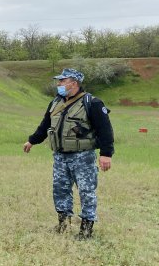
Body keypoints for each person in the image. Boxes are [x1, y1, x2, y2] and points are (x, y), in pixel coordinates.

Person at [23, 68, 114, 239]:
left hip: (83, 156)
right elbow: (45, 126)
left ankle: (86, 230)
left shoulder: (92, 103)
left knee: (86, 192)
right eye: (59, 81)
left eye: (62, 81)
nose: (59, 84)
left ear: (74, 83)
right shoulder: (55, 103)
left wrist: (106, 154)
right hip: (60, 156)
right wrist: (32, 140)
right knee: (60, 190)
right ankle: (63, 224)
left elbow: (105, 130)